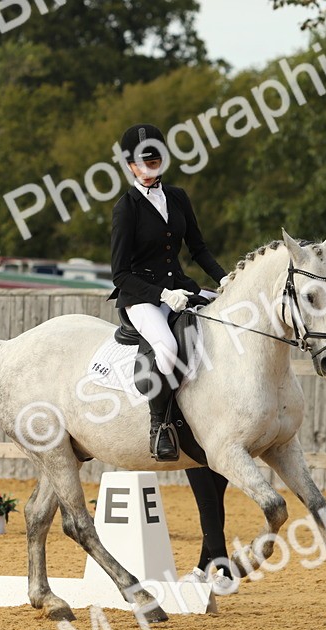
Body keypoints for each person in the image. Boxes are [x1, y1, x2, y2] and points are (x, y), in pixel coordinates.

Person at [108, 122, 228, 462]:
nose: (148, 169)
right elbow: (120, 275)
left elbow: (198, 249)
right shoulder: (125, 208)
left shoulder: (177, 197)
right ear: (130, 165)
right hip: (141, 297)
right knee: (168, 347)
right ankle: (159, 426)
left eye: (154, 161)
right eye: (141, 164)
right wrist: (161, 294)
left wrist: (225, 280)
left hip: (180, 288)